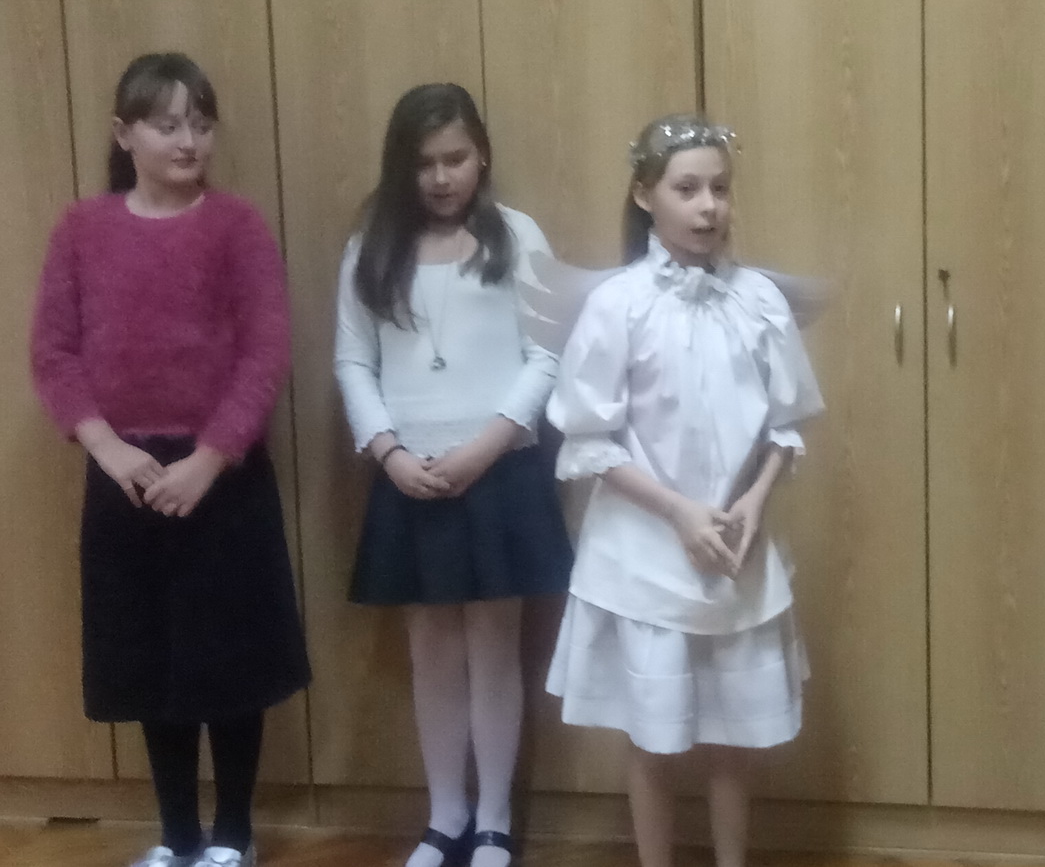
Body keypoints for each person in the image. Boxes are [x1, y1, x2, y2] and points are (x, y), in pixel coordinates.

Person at [30, 52, 309, 867]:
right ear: (125, 134)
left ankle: (233, 838)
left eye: (201, 124)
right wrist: (107, 448)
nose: (189, 140)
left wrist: (210, 458)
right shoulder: (81, 229)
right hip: (125, 476)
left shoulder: (237, 226)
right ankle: (178, 838)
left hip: (223, 475)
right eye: (168, 124)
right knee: (154, 667)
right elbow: (53, 353)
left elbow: (264, 353)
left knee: (231, 665)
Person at [543, 113, 823, 867]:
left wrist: (754, 502)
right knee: (654, 736)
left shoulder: (758, 300)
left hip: (734, 552)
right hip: (645, 557)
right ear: (645, 195)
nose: (708, 207)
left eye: (720, 190)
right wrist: (677, 513)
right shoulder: (618, 304)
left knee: (733, 737)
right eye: (687, 189)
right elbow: (589, 438)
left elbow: (785, 424)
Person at [334, 83, 572, 867]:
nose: (440, 177)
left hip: (498, 471)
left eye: (455, 159)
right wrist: (390, 453)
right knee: (431, 652)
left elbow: (546, 356)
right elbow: (353, 361)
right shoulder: (371, 246)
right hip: (410, 477)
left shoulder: (518, 236)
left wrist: (486, 446)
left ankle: (495, 820)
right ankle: (446, 817)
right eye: (423, 163)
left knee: (495, 649)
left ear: (482, 157)